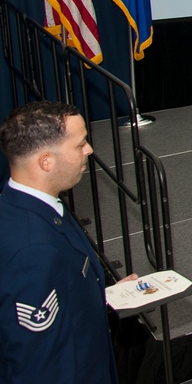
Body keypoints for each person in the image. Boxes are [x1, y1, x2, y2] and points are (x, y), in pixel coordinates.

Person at [0, 100, 135, 384]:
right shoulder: (33, 251)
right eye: (80, 144)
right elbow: (39, 364)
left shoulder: (28, 207)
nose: (89, 150)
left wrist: (102, 296)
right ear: (46, 161)